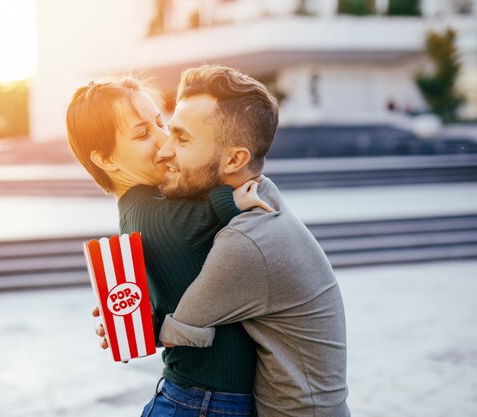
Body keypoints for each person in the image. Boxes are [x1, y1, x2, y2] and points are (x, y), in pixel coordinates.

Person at [66, 76, 270, 417]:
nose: (164, 140)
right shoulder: (153, 216)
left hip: (200, 399)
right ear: (105, 159)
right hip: (202, 404)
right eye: (143, 133)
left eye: (161, 122)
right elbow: (224, 210)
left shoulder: (146, 208)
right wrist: (229, 186)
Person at [154, 66, 350, 416]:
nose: (164, 151)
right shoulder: (263, 194)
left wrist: (120, 318)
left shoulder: (247, 241)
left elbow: (175, 333)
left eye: (182, 139)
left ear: (235, 159)